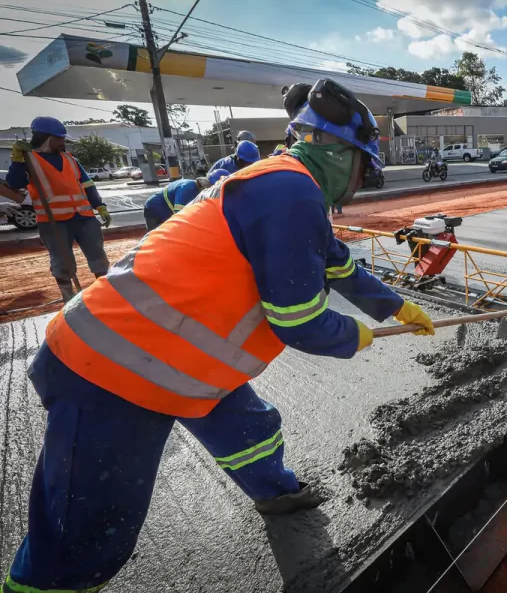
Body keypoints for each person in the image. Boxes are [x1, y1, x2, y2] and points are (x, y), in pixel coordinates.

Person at [4, 78, 437, 593]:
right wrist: (354, 335)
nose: (363, 181)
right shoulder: (291, 191)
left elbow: (338, 265)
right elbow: (297, 320)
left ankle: (275, 491)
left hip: (173, 355)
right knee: (87, 528)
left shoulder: (287, 185)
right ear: (341, 153)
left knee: (248, 427)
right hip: (109, 366)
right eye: (365, 166)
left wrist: (397, 306)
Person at [5, 117, 112, 301]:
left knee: (97, 255)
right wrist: (16, 160)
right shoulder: (29, 160)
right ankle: (68, 296)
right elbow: (14, 183)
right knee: (62, 260)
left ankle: (104, 291)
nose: (62, 141)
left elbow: (87, 183)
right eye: (59, 138)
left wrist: (99, 205)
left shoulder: (69, 159)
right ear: (46, 138)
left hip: (84, 216)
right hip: (53, 221)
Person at [142, 168, 230, 230]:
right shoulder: (188, 188)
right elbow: (180, 216)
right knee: (153, 238)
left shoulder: (197, 191)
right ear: (208, 184)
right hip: (154, 210)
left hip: (164, 212)